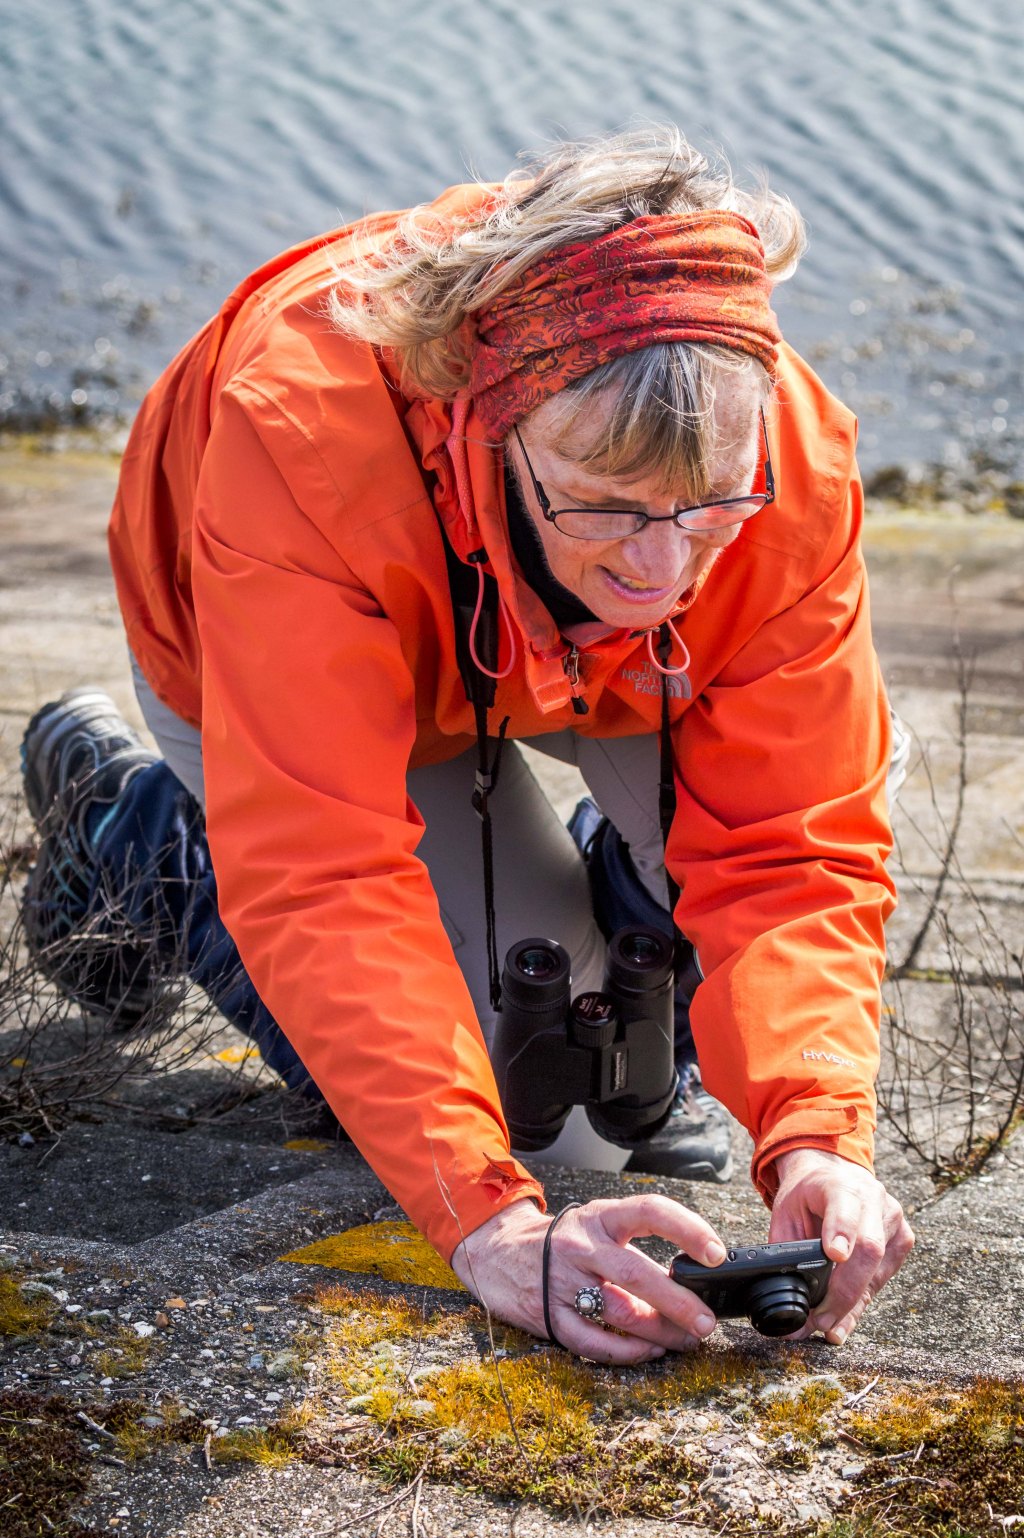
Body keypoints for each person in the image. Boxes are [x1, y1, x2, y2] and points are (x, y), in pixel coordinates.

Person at [21, 127, 914, 1365]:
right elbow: (327, 876)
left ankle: (644, 964)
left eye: (708, 510)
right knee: (528, 1130)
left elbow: (792, 833)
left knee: (859, 767)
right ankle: (143, 835)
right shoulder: (300, 429)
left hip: (562, 649)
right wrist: (486, 1220)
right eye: (602, 501)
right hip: (294, 675)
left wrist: (816, 1127)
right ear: (489, 425)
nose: (661, 572)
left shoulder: (774, 451)